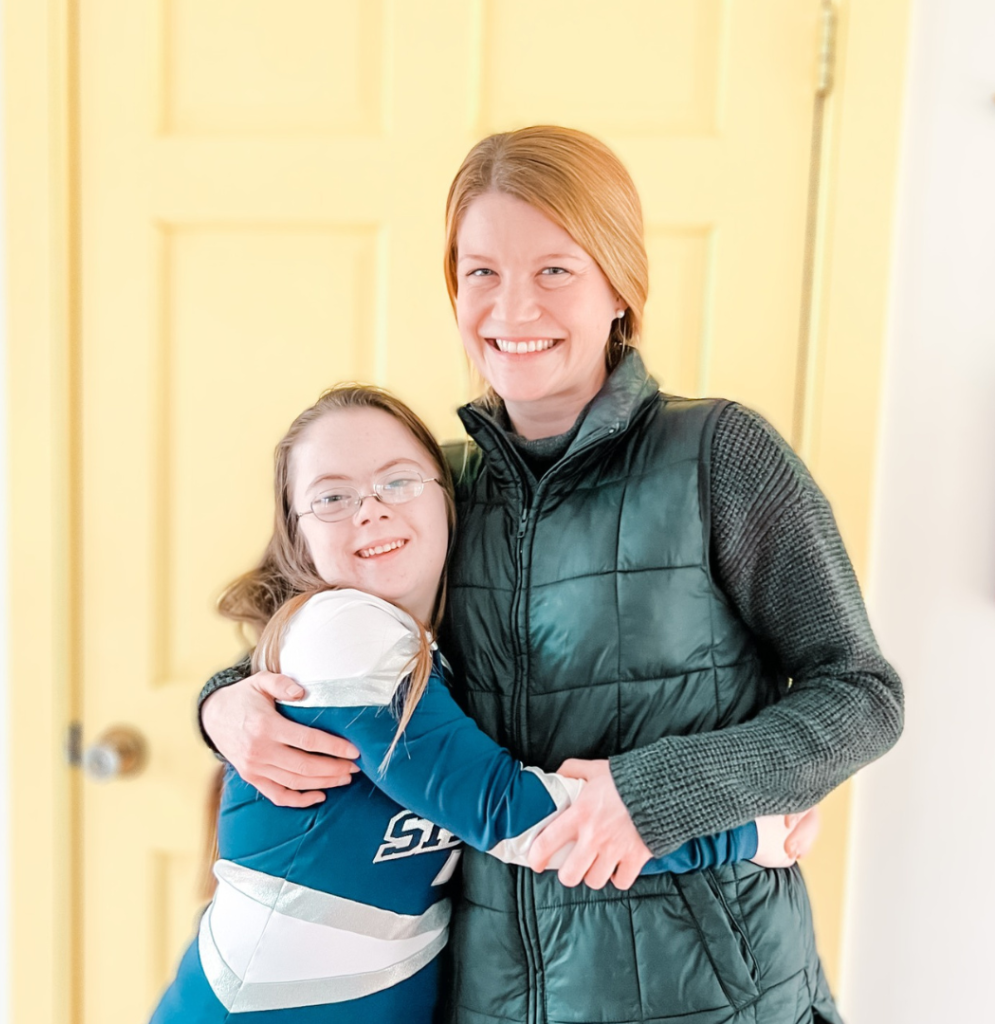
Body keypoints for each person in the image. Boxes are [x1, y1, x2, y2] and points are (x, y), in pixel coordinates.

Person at [198, 128, 903, 1024]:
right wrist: (225, 703)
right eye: (481, 272)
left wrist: (664, 793)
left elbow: (863, 694)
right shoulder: (435, 486)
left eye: (555, 272)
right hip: (493, 994)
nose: (512, 309)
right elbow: (312, 630)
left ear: (619, 287)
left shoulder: (719, 456)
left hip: (716, 996)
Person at [152, 385, 804, 1023]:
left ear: (448, 500)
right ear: (296, 537)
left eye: (398, 481)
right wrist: (744, 830)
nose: (371, 510)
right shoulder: (341, 631)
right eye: (331, 497)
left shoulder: (439, 645)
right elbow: (510, 814)